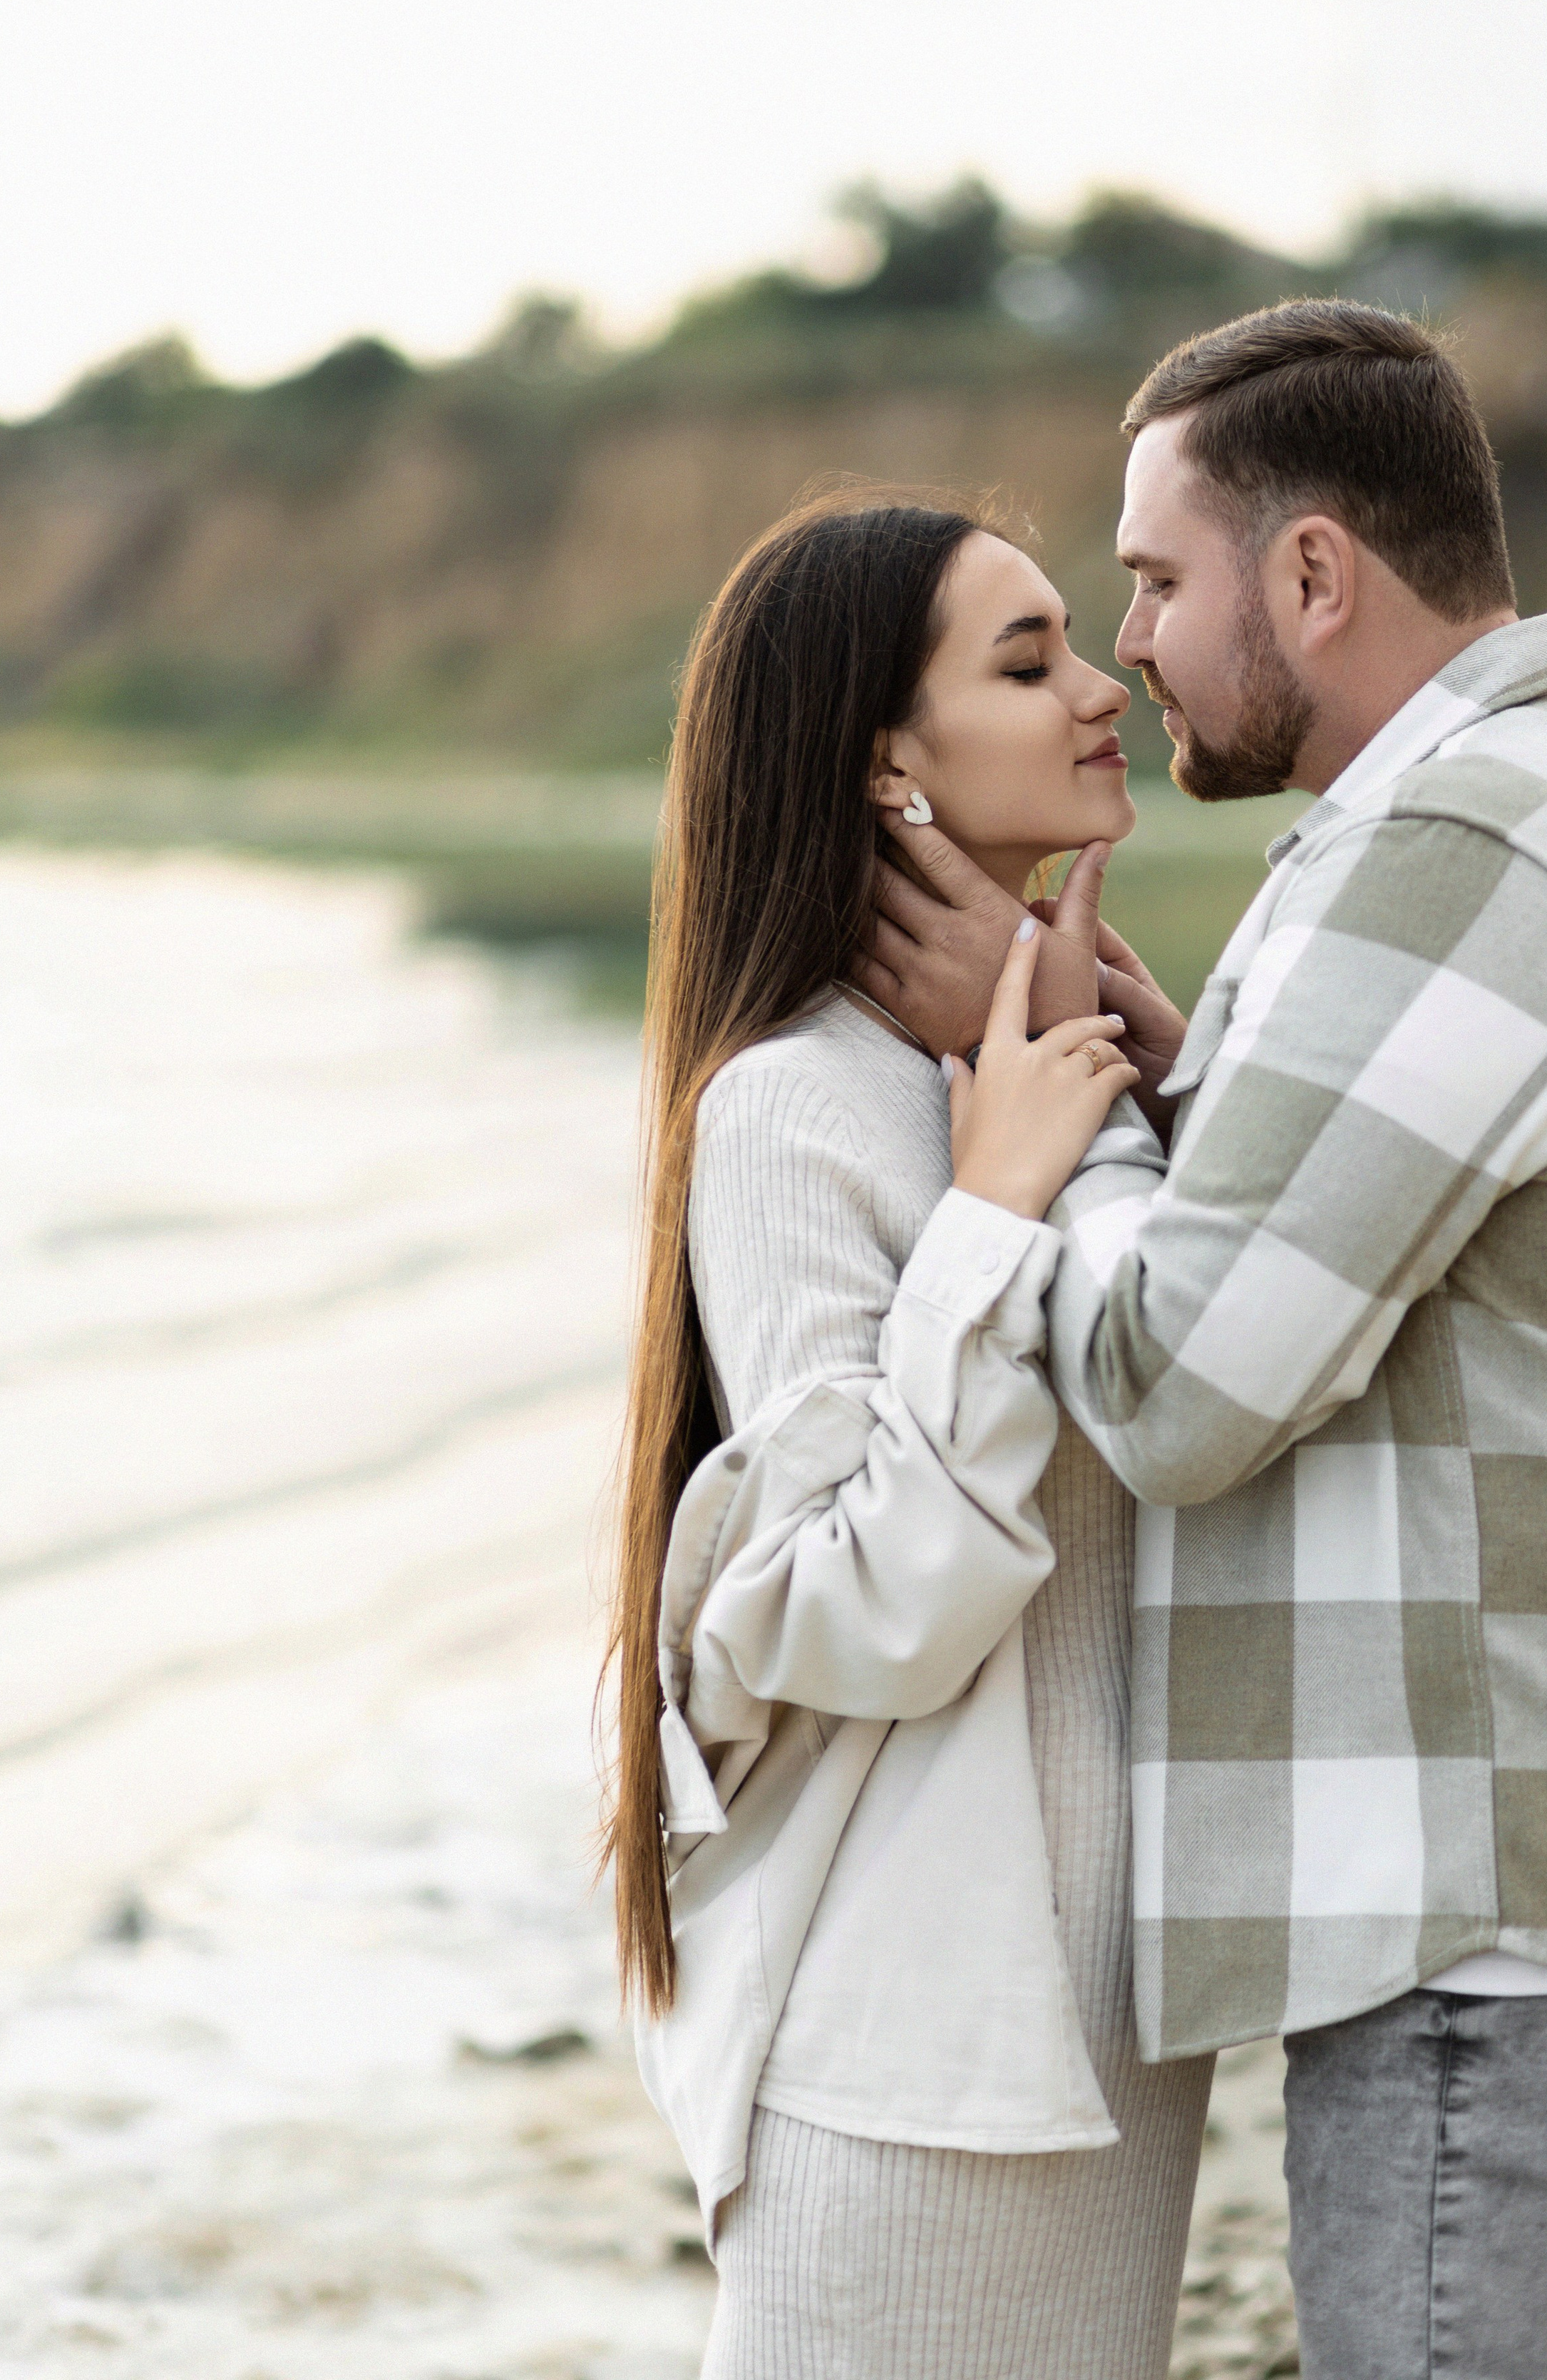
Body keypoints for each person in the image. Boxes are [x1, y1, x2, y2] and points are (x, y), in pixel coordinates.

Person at [855, 304, 1547, 2380]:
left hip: (1500, 1946)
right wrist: (1194, 1105)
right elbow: (1458, 1272)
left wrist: (1051, 1121)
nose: (1135, 647)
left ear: (1310, 574)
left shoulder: (1457, 844)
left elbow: (1183, 1388)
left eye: (1161, 580)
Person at [604, 490, 1216, 2380]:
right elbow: (841, 1603)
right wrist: (993, 1213)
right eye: (1027, 661)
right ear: (886, 759)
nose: (1101, 685)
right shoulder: (798, 1105)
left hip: (1107, 2013)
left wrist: (1154, 1099)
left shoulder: (1039, 1076)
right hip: (918, 2044)